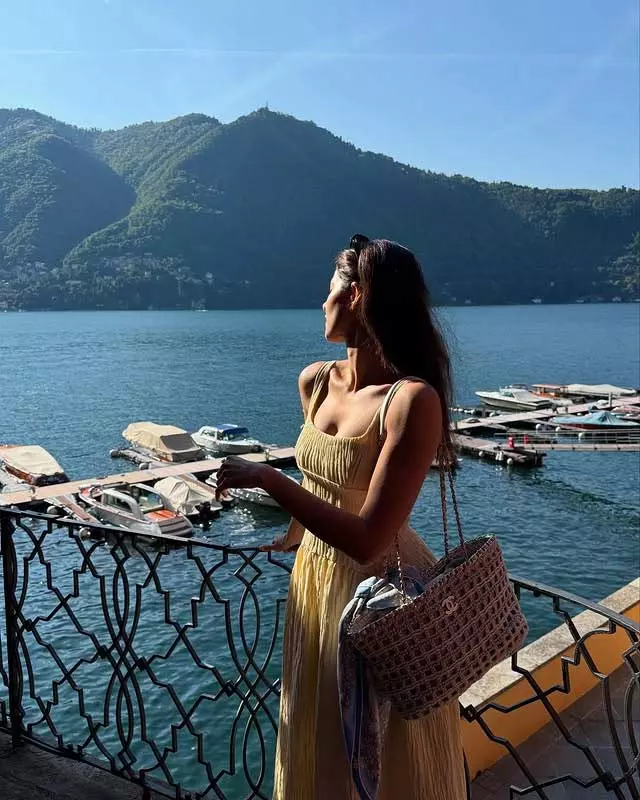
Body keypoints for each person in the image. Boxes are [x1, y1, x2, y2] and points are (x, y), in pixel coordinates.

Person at [216, 235, 467, 799]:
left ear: (356, 296)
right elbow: (321, 479)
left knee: (384, 750)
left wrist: (268, 480)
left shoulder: (411, 401)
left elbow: (370, 537)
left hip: (381, 597)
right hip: (315, 579)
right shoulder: (315, 381)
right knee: (320, 736)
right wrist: (295, 532)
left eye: (329, 290)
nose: (321, 301)